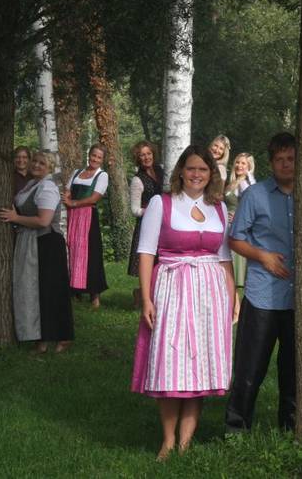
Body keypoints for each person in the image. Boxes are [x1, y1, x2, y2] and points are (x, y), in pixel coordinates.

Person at [131, 144, 236, 461]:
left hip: (210, 293)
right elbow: (146, 253)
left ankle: (186, 442)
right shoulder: (161, 204)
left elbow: (224, 257)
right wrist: (146, 298)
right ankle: (168, 440)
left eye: (203, 169)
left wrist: (233, 297)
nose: (196, 174)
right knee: (170, 362)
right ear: (181, 171)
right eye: (191, 168)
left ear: (211, 174)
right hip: (172, 288)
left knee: (199, 366)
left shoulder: (218, 208)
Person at [225, 132, 297, 432]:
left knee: (294, 370)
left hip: (299, 298)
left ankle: (292, 429)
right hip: (262, 294)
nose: (286, 164)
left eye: (291, 158)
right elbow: (235, 239)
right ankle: (236, 429)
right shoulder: (255, 195)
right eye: (279, 159)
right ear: (270, 163)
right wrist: (263, 256)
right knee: (250, 367)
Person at [0, 151, 74, 353]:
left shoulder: (47, 187)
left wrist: (15, 218)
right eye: (35, 161)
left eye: (42, 163)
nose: (36, 165)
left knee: (51, 291)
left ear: (50, 168)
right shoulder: (33, 184)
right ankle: (41, 338)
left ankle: (63, 336)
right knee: (37, 292)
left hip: (48, 242)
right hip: (34, 241)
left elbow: (43, 220)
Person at [63, 143, 109, 309]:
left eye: (99, 157)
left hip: (88, 216)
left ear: (102, 160)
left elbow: (94, 198)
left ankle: (94, 294)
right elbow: (67, 191)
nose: (95, 159)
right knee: (73, 250)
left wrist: (73, 203)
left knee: (91, 253)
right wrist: (67, 198)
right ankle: (75, 290)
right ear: (89, 155)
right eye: (93, 155)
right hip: (72, 216)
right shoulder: (77, 172)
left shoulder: (102, 175)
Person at [127, 140, 164, 306]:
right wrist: (151, 211)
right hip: (147, 225)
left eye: (148, 153)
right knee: (148, 261)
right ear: (138, 158)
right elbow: (135, 209)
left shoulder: (162, 171)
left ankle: (152, 294)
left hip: (164, 223)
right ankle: (142, 295)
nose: (146, 157)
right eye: (142, 155)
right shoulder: (137, 180)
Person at [224, 152, 256, 290]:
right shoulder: (233, 182)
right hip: (227, 225)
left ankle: (236, 299)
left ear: (249, 167)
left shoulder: (244, 183)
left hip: (236, 227)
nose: (239, 165)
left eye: (243, 163)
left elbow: (251, 204)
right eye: (237, 162)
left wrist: (237, 216)